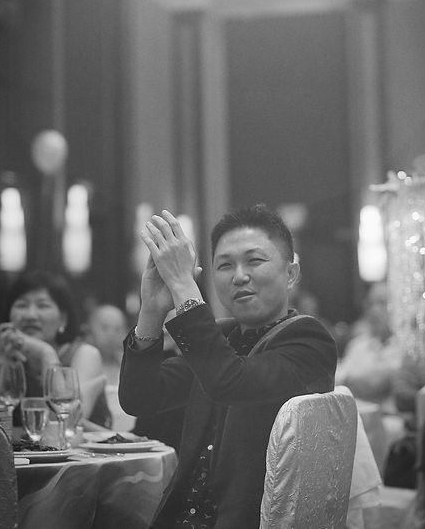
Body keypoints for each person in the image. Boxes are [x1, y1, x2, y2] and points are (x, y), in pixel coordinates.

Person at [119, 205, 337, 529]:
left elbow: (230, 382)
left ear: (291, 274)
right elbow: (141, 399)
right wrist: (151, 311)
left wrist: (183, 286)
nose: (239, 276)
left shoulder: (308, 341)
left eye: (255, 260)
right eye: (224, 265)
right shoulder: (222, 338)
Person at [0, 270, 112, 428]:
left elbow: (66, 424)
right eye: (21, 305)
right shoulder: (4, 354)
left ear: (63, 318)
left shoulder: (85, 354)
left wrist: (45, 353)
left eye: (43, 305)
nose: (30, 315)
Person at [335, 280, 403, 411]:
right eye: (370, 304)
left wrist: (351, 381)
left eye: (382, 303)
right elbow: (338, 384)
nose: (374, 310)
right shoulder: (357, 345)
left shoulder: (406, 347)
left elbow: (377, 382)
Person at [86, 303, 129, 387]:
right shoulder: (82, 362)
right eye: (104, 327)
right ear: (90, 330)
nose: (111, 334)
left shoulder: (129, 364)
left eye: (117, 329)